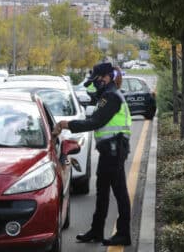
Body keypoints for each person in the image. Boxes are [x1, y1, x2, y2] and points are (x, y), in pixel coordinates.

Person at [53, 62, 132, 246]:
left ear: (107, 77)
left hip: (114, 150)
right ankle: (96, 230)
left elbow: (94, 122)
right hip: (109, 150)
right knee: (102, 192)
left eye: (98, 79)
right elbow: (88, 90)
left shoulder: (111, 97)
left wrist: (67, 124)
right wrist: (92, 80)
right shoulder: (106, 94)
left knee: (119, 193)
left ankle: (123, 233)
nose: (95, 83)